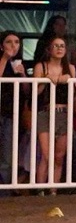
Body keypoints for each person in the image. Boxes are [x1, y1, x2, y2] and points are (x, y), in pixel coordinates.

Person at [34, 36, 76, 193]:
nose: (59, 49)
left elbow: (75, 92)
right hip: (45, 112)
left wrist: (67, 79)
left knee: (59, 156)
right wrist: (46, 80)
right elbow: (35, 92)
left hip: (64, 113)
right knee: (47, 155)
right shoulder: (41, 66)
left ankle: (53, 191)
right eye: (56, 46)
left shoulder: (70, 68)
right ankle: (40, 190)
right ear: (49, 49)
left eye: (62, 46)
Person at [0, 31, 28, 193]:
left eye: (16, 42)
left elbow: (26, 91)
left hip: (11, 113)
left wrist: (23, 74)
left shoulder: (19, 63)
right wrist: (4, 58)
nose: (13, 46)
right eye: (9, 42)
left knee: (8, 155)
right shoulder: (3, 60)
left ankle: (4, 192)